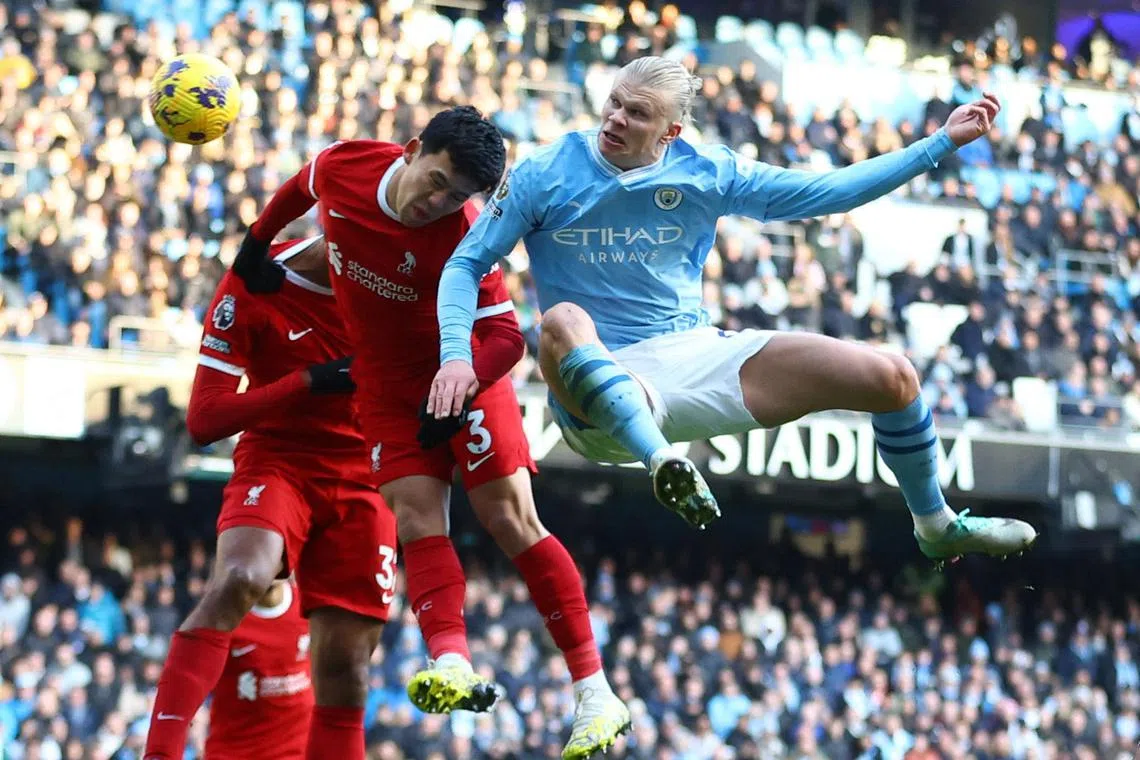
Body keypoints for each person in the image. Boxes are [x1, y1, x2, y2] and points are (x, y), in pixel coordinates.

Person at [431, 57, 1038, 566]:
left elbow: (830, 192)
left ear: (669, 132)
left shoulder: (707, 172)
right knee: (561, 319)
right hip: (593, 389)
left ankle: (934, 525)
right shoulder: (544, 171)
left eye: (636, 113)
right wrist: (455, 357)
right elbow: (465, 263)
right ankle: (663, 461)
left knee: (893, 377)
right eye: (614, 103)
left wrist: (941, 143)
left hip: (689, 356)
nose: (616, 119)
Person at [234, 106, 630, 759]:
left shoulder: (465, 234)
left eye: (458, 195)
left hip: (464, 367)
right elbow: (298, 189)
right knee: (417, 520)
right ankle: (451, 662)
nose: (439, 201)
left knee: (508, 518)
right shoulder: (346, 166)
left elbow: (507, 336)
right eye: (438, 180)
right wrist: (257, 243)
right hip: (388, 386)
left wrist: (463, 381)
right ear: (413, 149)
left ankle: (594, 690)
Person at [144, 237, 396, 760]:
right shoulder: (258, 278)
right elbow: (204, 422)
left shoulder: (409, 279)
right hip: (279, 457)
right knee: (240, 577)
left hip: (363, 472)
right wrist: (306, 382)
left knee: (349, 666)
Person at [205, 579, 312, 760]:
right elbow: (187, 684)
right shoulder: (221, 615)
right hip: (236, 753)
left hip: (298, 751)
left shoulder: (310, 604)